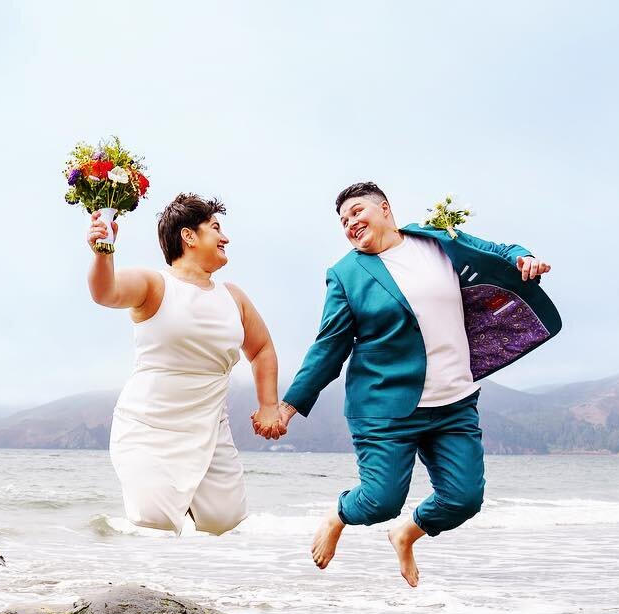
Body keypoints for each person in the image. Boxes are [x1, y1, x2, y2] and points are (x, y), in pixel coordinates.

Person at [278, 182, 552, 585]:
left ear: (385, 209)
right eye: (343, 220)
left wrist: (523, 257)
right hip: (385, 408)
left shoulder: (436, 239)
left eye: (357, 212)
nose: (351, 223)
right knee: (379, 502)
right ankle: (337, 516)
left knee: (464, 499)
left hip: (454, 402)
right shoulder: (345, 274)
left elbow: (498, 251)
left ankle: (406, 534)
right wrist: (289, 406)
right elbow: (329, 346)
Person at [86, 193, 286, 535]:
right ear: (188, 236)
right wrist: (103, 252)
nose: (225, 238)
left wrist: (268, 404)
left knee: (224, 519)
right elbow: (106, 293)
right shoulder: (155, 284)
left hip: (209, 425)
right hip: (149, 423)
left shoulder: (233, 296)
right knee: (153, 517)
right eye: (216, 228)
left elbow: (263, 348)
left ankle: (192, 496)